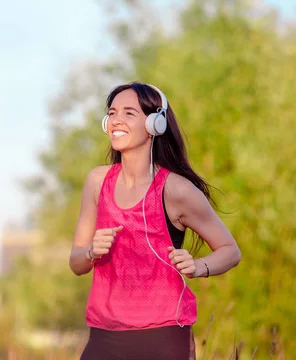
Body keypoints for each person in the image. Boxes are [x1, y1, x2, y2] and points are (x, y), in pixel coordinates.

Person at [69, 82, 241, 360]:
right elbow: (76, 263)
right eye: (112, 113)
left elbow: (231, 250)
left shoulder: (177, 190)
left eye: (128, 113)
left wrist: (199, 267)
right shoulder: (96, 182)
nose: (116, 121)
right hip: (104, 335)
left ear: (154, 124)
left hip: (163, 337)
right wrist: (90, 251)